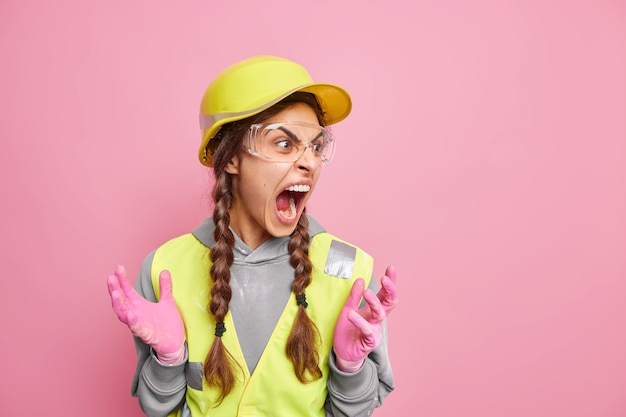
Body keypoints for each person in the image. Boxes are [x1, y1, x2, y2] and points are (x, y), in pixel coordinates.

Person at [107, 55, 398, 417]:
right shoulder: (166, 269)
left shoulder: (352, 274)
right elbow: (159, 409)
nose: (309, 162)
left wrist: (350, 369)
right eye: (284, 144)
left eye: (316, 146)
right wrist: (168, 362)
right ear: (229, 158)